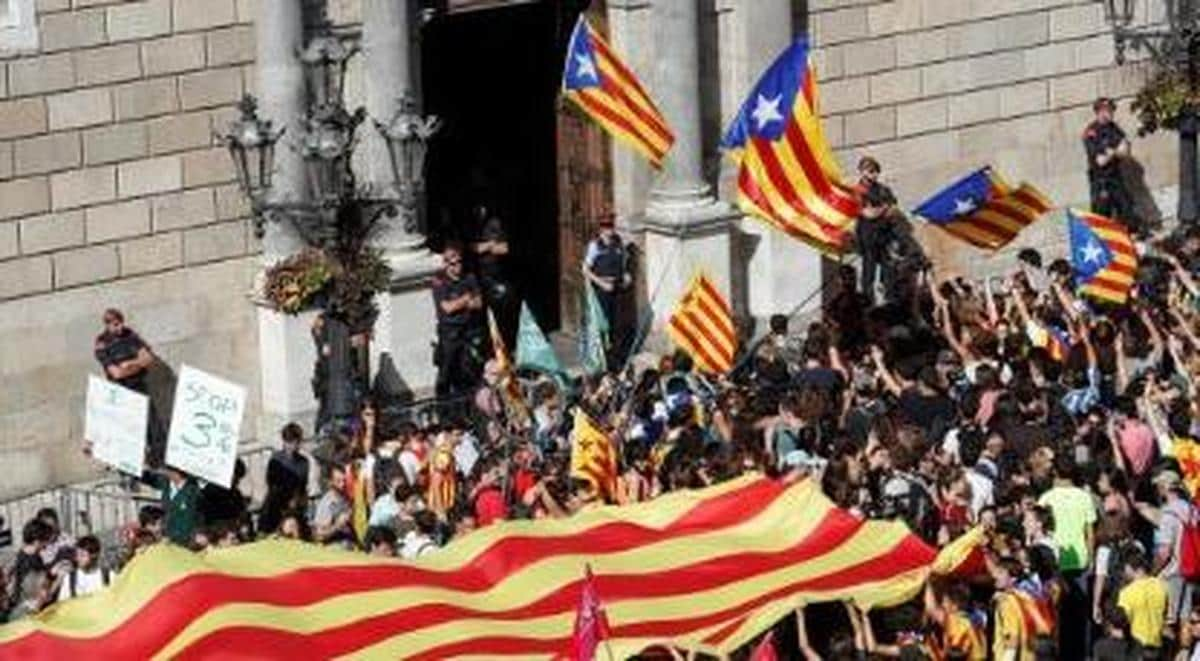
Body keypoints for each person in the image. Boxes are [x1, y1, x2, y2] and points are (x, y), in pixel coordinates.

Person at [431, 243, 486, 399]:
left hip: (467, 330)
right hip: (449, 333)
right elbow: (447, 308)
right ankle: (443, 410)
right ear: (446, 264)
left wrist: (460, 304)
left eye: (460, 262)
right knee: (446, 374)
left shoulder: (469, 277)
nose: (457, 267)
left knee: (467, 372)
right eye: (453, 263)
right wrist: (467, 299)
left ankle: (465, 408)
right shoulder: (439, 280)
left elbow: (479, 303)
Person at [583, 213, 634, 367]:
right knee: (604, 325)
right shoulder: (595, 246)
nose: (608, 230)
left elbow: (623, 262)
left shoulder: (618, 243)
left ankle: (617, 358)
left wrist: (626, 275)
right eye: (605, 227)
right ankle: (604, 359)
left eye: (610, 226)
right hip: (602, 289)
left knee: (617, 324)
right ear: (600, 229)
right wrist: (600, 283)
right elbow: (585, 269)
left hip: (617, 287)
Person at [1083, 97, 1137, 231]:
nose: (1109, 113)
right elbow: (1100, 161)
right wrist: (1115, 151)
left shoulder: (1114, 129)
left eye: (1111, 110)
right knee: (1102, 220)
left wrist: (1111, 152)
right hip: (1100, 182)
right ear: (1098, 112)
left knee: (1127, 213)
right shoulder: (1091, 132)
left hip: (1116, 179)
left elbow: (1126, 152)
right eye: (1106, 110)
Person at [853, 156, 899, 305]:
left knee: (888, 269)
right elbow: (868, 214)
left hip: (884, 235)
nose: (874, 175)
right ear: (862, 172)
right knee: (869, 272)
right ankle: (868, 303)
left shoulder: (882, 189)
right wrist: (884, 208)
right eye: (870, 171)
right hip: (868, 237)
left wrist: (880, 209)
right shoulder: (859, 191)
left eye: (875, 171)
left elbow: (894, 209)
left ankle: (888, 298)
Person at [470, 203, 513, 343]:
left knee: (502, 316)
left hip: (498, 276)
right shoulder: (472, 227)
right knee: (482, 316)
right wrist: (490, 245)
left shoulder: (495, 224)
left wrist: (487, 247)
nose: (479, 210)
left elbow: (505, 248)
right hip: (479, 278)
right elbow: (473, 248)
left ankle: (505, 347)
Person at [260, 423, 312, 534]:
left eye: (295, 442)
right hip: (275, 506)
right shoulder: (276, 460)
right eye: (289, 442)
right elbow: (271, 483)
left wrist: (297, 501)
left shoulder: (304, 462)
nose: (292, 446)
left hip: (294, 506)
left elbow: (303, 486)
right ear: (284, 442)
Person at [1118, 550, 1169, 656]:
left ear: (1129, 567)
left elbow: (1122, 621)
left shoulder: (1126, 592)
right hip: (1157, 645)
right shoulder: (1161, 586)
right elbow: (1167, 614)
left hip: (1136, 647)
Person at [143, 466, 201, 546]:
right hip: (166, 541)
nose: (160, 470)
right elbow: (146, 478)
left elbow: (198, 518)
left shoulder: (195, 489)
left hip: (186, 542)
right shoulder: (165, 482)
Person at [57, 536, 111, 602]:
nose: (78, 559)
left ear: (94, 555)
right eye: (77, 555)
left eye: (82, 555)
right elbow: (62, 604)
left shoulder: (109, 576)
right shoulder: (70, 578)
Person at [312, 465, 354, 547]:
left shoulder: (345, 499)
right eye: (338, 481)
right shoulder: (327, 503)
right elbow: (319, 536)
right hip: (334, 547)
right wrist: (337, 525)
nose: (342, 484)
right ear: (330, 482)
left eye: (344, 480)